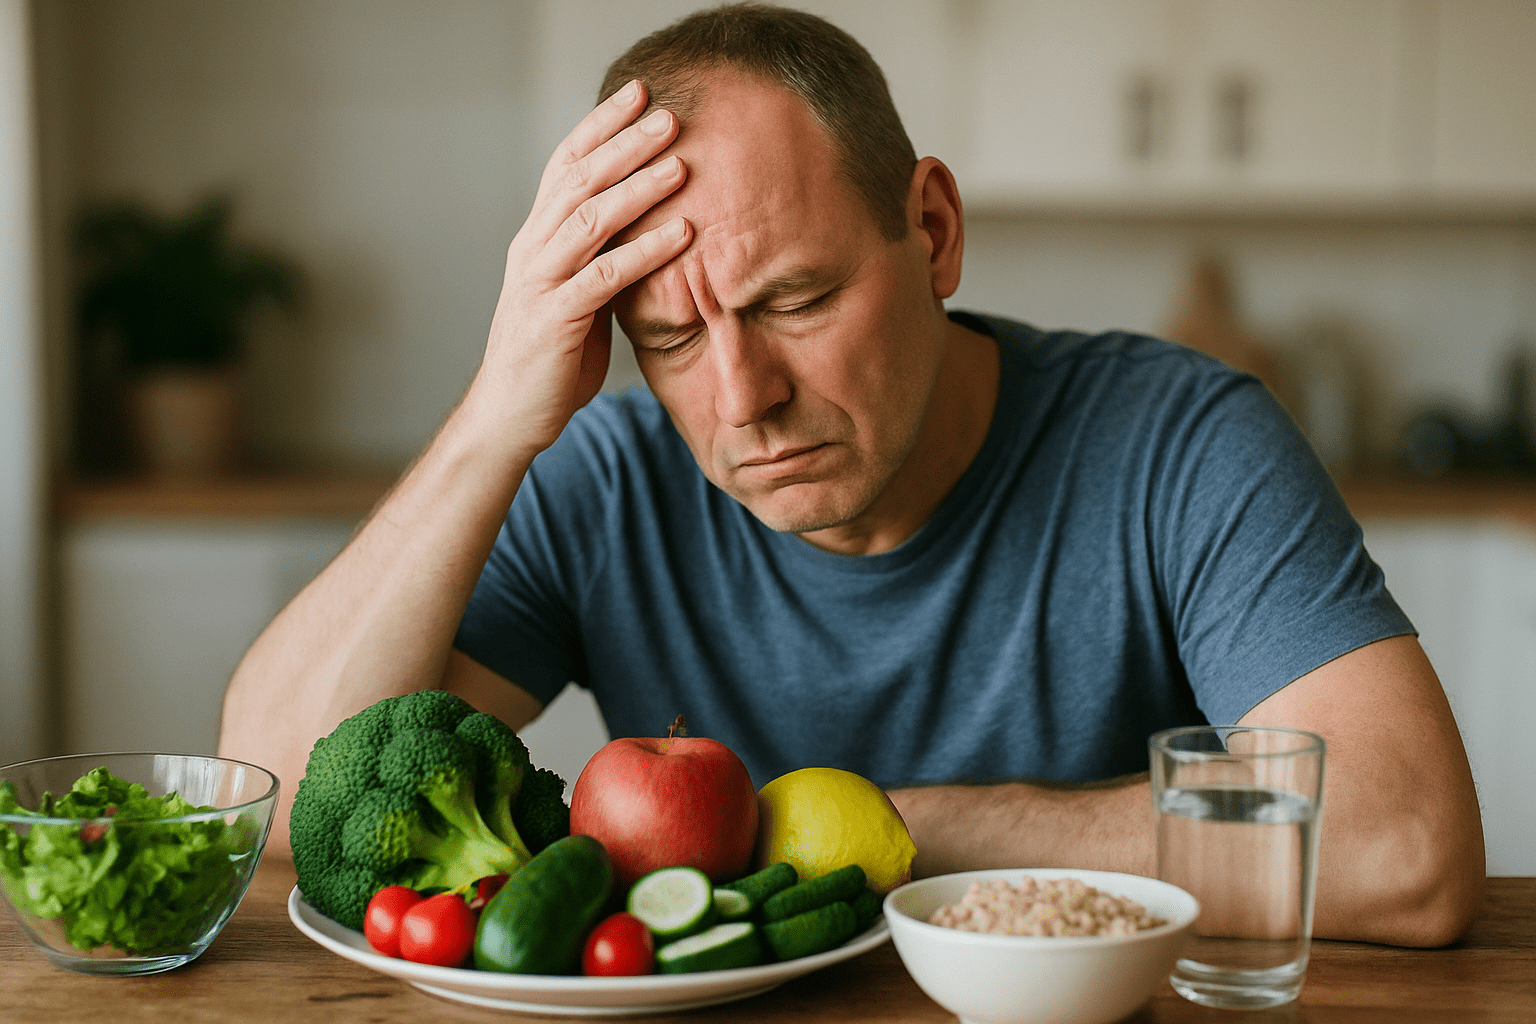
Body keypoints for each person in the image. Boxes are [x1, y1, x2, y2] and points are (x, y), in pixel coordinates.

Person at [218, 4, 1484, 947]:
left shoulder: (1180, 441)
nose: (742, 398)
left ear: (930, 232)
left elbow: (1408, 850)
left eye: (799, 300)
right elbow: (276, 812)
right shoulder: (604, 482)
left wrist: (880, 828)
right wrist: (497, 415)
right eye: (668, 341)